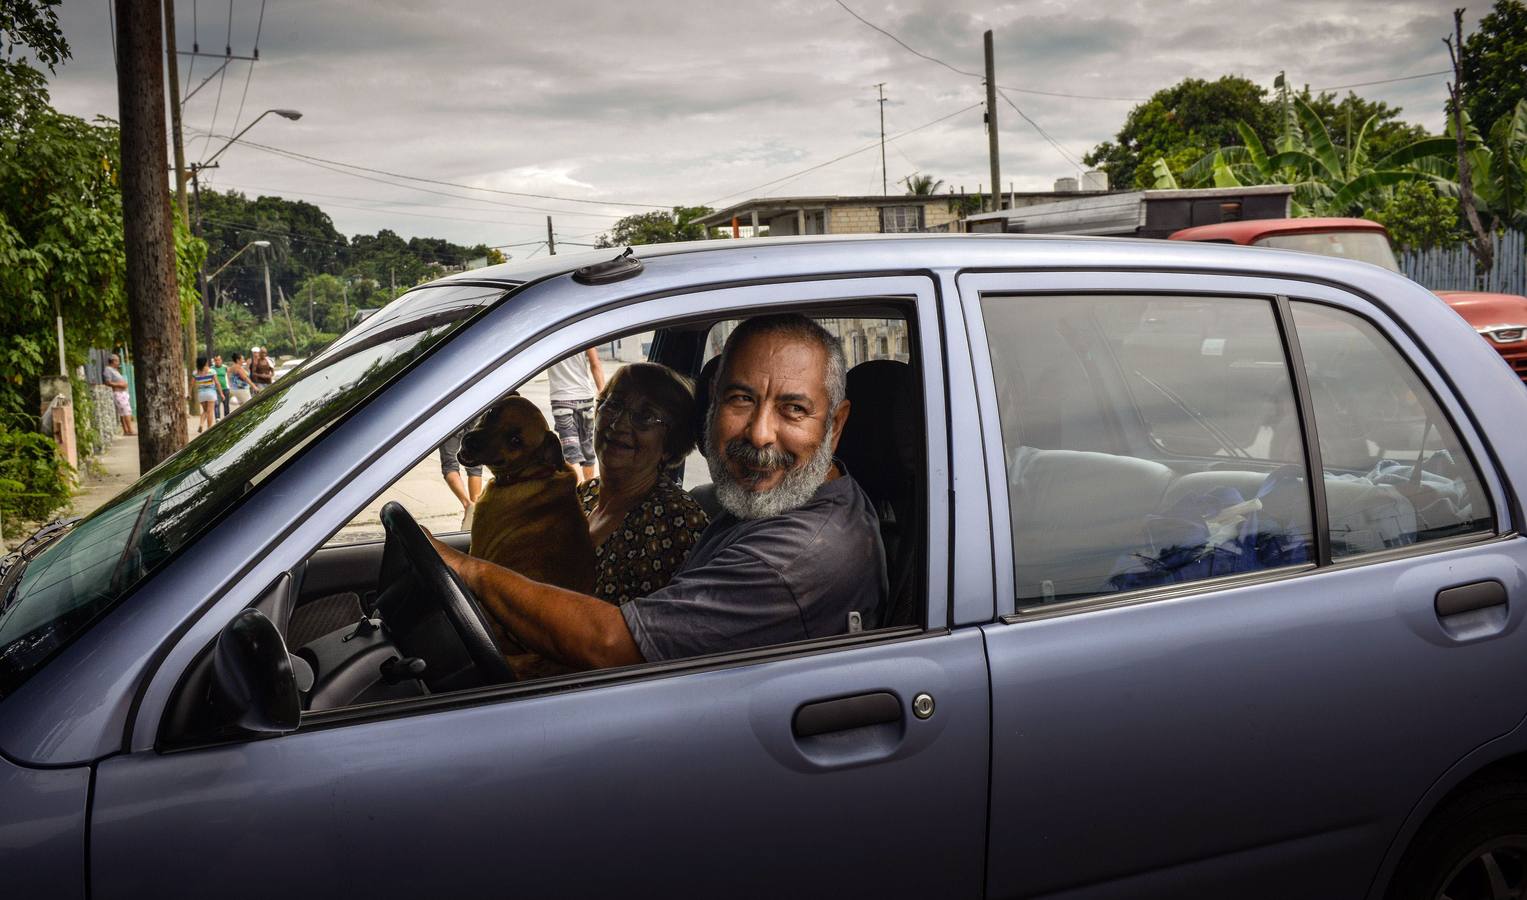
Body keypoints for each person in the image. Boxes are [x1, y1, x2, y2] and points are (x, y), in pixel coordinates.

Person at [431, 313, 887, 671]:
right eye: (741, 399)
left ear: (836, 424)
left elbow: (609, 644)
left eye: (793, 408)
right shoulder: (769, 502)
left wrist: (471, 572)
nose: (760, 433)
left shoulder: (791, 558)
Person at [577, 363, 710, 606]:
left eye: (645, 416)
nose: (619, 424)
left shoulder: (677, 522)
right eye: (614, 404)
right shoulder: (583, 494)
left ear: (670, 446)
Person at [547, 347, 605, 482]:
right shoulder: (580, 331)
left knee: (571, 453)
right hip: (585, 397)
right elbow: (595, 363)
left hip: (562, 399)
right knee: (587, 451)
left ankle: (578, 495)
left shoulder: (548, 335)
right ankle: (587, 494)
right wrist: (603, 393)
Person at [439, 427, 484, 530]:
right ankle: (474, 512)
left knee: (450, 464)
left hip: (451, 417)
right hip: (472, 415)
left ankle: (467, 504)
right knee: (475, 466)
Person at [103, 353, 135, 436]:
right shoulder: (108, 369)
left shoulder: (115, 370)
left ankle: (126, 430)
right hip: (118, 393)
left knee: (123, 412)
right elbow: (108, 382)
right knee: (126, 411)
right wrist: (121, 385)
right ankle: (130, 430)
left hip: (122, 393)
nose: (118, 362)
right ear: (113, 361)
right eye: (117, 361)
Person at [192, 355, 223, 434]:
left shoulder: (195, 372)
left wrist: (189, 393)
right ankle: (209, 429)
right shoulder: (211, 371)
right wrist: (221, 393)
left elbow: (191, 384)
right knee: (210, 411)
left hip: (201, 394)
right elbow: (217, 383)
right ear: (205, 362)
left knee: (205, 411)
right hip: (211, 393)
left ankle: (201, 424)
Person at [211, 355, 229, 420]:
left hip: (225, 388)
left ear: (221, 360)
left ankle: (227, 419)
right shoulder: (211, 369)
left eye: (218, 360)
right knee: (216, 405)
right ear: (214, 361)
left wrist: (229, 386)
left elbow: (228, 376)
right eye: (216, 360)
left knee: (226, 405)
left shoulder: (225, 368)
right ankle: (217, 419)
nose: (217, 361)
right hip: (216, 389)